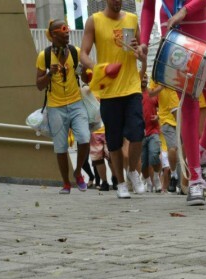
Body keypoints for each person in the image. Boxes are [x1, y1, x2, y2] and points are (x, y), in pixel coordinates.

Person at [139, 0, 206, 206]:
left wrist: (185, 10)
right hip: (172, 28)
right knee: (189, 103)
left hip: (198, 22)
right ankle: (195, 179)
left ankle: (202, 152)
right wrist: (144, 40)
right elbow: (147, 6)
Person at [80, 0, 145, 199]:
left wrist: (140, 51)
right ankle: (121, 183)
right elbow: (83, 53)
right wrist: (99, 68)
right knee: (114, 141)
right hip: (108, 90)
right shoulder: (94, 21)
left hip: (132, 85)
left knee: (137, 133)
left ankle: (133, 171)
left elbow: (141, 51)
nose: (117, 2)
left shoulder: (132, 19)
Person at [36, 19, 90, 194]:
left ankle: (78, 172)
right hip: (55, 107)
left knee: (84, 138)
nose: (68, 32)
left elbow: (88, 79)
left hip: (76, 103)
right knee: (60, 147)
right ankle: (66, 183)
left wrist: (84, 73)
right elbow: (39, 85)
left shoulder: (76, 52)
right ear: (53, 34)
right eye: (64, 29)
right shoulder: (44, 56)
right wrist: (50, 74)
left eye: (68, 29)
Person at [147, 80, 180, 194]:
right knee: (173, 147)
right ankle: (174, 175)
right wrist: (162, 86)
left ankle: (185, 181)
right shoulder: (157, 75)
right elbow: (150, 93)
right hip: (167, 119)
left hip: (183, 116)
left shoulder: (181, 69)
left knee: (185, 150)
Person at [140, 72, 162, 193]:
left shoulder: (152, 94)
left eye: (145, 77)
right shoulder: (135, 95)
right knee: (143, 163)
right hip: (140, 133)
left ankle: (157, 178)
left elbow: (163, 108)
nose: (143, 79)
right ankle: (148, 182)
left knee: (154, 156)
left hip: (153, 131)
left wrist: (158, 117)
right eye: (142, 77)